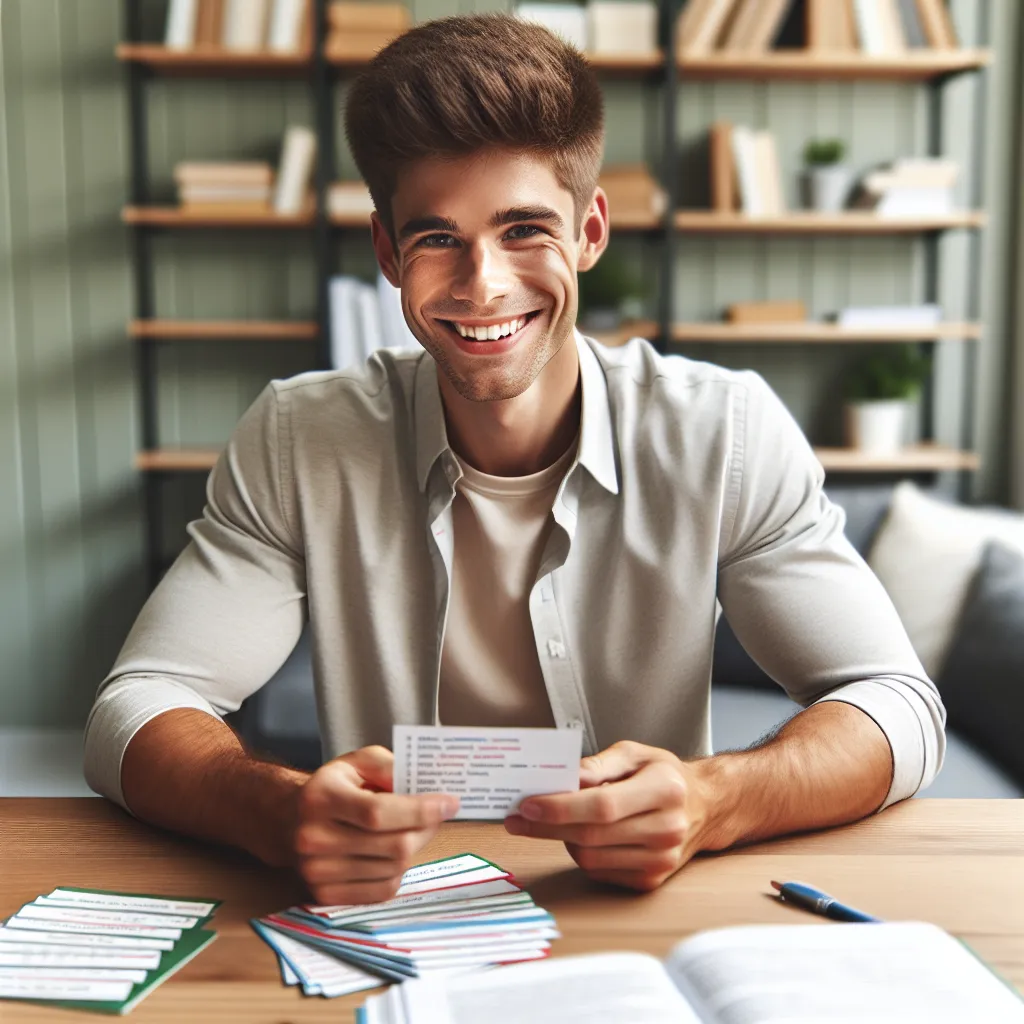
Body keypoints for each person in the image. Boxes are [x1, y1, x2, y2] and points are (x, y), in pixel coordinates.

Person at [84, 13, 944, 905]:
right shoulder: (300, 437)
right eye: (437, 237)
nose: (482, 283)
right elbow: (136, 706)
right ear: (386, 252)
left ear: (591, 233)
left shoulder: (724, 430)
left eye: (525, 229)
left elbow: (897, 704)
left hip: (642, 905)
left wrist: (714, 797)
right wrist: (273, 809)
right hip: (391, 912)